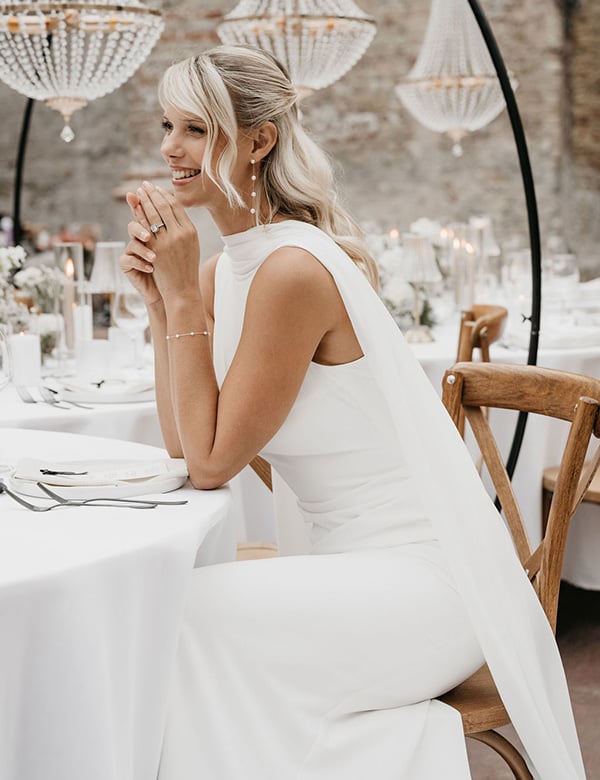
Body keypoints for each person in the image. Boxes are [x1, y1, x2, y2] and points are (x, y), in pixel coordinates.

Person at [121, 45, 584, 779]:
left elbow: (209, 468)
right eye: (166, 126)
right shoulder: (223, 271)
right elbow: (188, 443)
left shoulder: (292, 270)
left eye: (194, 130)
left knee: (184, 620)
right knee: (170, 614)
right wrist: (162, 303)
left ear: (259, 141)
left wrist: (180, 299)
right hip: (346, 570)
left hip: (429, 584)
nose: (167, 149)